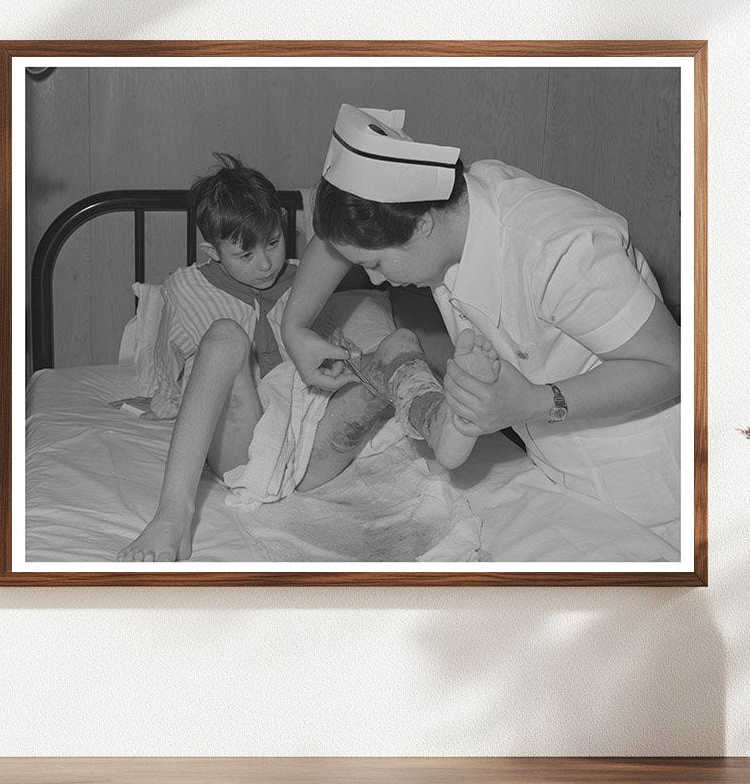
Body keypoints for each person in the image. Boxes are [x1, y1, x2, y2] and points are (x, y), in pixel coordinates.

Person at [281, 105, 682, 549]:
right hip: (556, 465)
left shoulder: (560, 251)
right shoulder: (447, 205)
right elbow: (336, 240)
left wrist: (533, 403)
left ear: (422, 225)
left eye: (375, 264)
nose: (375, 279)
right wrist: (294, 326)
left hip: (647, 486)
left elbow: (672, 365)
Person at [118, 153, 498, 563]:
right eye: (245, 255)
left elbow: (332, 348)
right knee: (225, 336)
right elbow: (165, 373)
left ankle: (441, 422)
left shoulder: (306, 278)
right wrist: (161, 400)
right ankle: (173, 515)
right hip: (244, 448)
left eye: (273, 242)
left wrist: (345, 367)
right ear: (212, 250)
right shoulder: (186, 287)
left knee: (398, 343)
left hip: (312, 441)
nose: (265, 262)